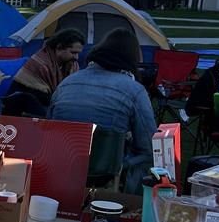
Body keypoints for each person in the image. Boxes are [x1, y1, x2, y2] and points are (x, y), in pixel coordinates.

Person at [49, 29, 156, 194]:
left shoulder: (67, 83)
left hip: (61, 163)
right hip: (105, 171)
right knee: (152, 157)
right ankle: (136, 211)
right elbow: (149, 145)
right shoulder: (134, 90)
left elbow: (49, 126)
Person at [8, 28, 84, 107]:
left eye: (78, 53)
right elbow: (40, 99)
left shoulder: (72, 65)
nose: (76, 57)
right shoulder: (40, 64)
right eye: (73, 52)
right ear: (59, 47)